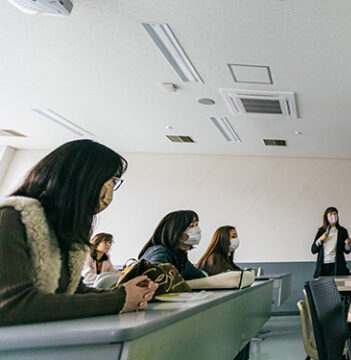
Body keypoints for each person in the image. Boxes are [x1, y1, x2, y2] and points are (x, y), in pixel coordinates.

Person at [0, 139, 157, 326]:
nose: (110, 191)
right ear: (84, 178)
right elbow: (13, 306)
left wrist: (128, 293)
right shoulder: (11, 218)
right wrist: (118, 299)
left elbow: (73, 291)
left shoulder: (62, 230)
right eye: (112, 181)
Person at [139, 210, 207, 280]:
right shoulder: (159, 252)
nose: (197, 230)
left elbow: (201, 277)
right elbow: (154, 279)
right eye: (191, 226)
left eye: (196, 225)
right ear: (176, 231)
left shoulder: (180, 258)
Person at [311, 206, 351, 277]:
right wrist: (321, 238)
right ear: (326, 216)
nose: (333, 216)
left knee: (338, 286)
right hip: (323, 264)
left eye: (335, 213)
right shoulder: (321, 231)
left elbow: (347, 251)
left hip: (337, 265)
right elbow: (313, 250)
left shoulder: (342, 231)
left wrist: (347, 244)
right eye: (330, 214)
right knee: (324, 287)